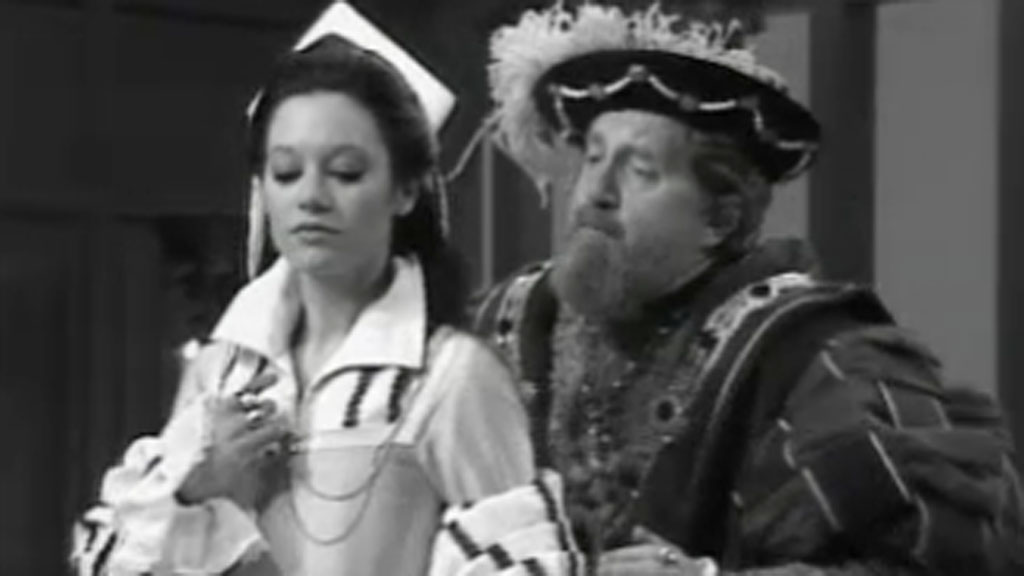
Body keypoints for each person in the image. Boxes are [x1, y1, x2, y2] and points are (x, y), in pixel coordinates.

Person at [475, 3, 1024, 576]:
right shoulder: (515, 324)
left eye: (640, 172)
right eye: (593, 158)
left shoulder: (809, 354)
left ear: (721, 217)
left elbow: (941, 562)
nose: (596, 193)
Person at [70, 4, 539, 575]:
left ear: (405, 191)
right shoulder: (223, 375)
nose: (311, 198)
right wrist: (197, 485)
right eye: (286, 173)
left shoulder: (452, 375)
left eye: (345, 173)